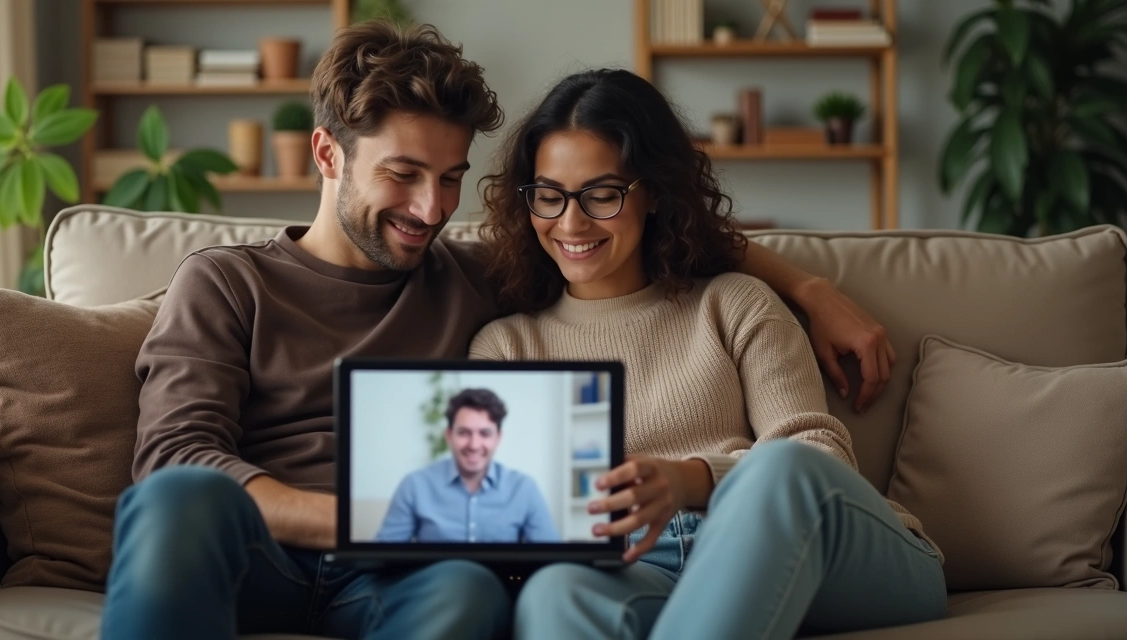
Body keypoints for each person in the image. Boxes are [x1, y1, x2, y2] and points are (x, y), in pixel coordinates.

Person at [100, 19, 900, 640]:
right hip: (265, 552)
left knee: (466, 588)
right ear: (327, 154)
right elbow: (177, 456)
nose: (430, 210)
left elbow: (632, 230)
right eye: (403, 175)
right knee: (178, 500)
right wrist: (360, 517)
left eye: (449, 180)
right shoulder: (226, 281)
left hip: (403, 575)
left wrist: (808, 285)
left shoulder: (473, 274)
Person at [470, 68, 947, 640]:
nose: (570, 222)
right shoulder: (506, 348)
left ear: (651, 194)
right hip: (639, 569)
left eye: (601, 195)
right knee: (555, 592)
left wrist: (692, 479)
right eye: (548, 196)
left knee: (782, 465)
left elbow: (818, 462)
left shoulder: (733, 303)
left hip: (818, 552)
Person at [376, 388, 560, 543]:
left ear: (498, 438)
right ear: (449, 435)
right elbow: (382, 557)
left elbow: (552, 559)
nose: (473, 445)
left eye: (485, 433)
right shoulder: (414, 485)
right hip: (438, 583)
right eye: (464, 432)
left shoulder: (524, 488)